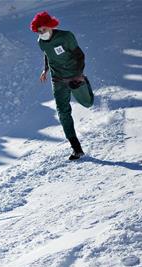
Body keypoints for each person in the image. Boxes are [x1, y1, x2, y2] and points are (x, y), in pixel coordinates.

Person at [31, 11, 94, 161]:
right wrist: (45, 69)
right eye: (39, 31)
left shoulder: (66, 37)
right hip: (58, 80)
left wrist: (79, 74)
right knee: (63, 112)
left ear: (51, 26)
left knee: (88, 103)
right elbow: (47, 54)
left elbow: (79, 55)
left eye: (44, 29)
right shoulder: (40, 42)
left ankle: (85, 83)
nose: (42, 33)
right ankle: (77, 149)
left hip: (74, 76)